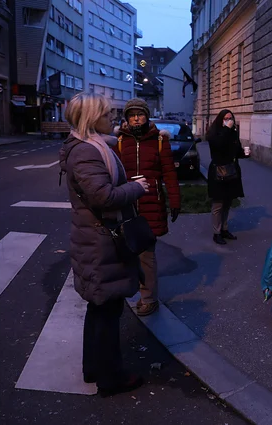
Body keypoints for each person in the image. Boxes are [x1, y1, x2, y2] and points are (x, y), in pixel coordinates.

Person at [59, 92, 149, 397]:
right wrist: (135, 188)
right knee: (107, 311)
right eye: (106, 114)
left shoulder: (93, 146)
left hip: (96, 238)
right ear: (90, 119)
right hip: (101, 241)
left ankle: (94, 368)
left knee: (100, 308)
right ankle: (111, 378)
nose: (112, 118)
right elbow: (103, 197)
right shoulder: (86, 151)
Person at [115, 98, 181, 316]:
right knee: (124, 251)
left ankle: (149, 298)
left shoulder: (159, 141)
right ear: (126, 118)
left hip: (151, 203)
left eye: (140, 114)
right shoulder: (119, 141)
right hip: (125, 204)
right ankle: (128, 289)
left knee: (146, 254)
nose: (136, 118)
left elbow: (169, 174)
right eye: (131, 114)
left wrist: (175, 200)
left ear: (146, 116)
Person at [206, 109, 246, 245]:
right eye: (226, 118)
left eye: (231, 118)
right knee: (218, 204)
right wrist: (227, 130)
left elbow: (236, 151)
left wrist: (244, 153)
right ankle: (216, 232)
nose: (229, 121)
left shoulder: (233, 133)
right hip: (218, 172)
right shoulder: (214, 133)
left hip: (231, 172)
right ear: (220, 120)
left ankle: (224, 229)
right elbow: (218, 146)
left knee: (228, 203)